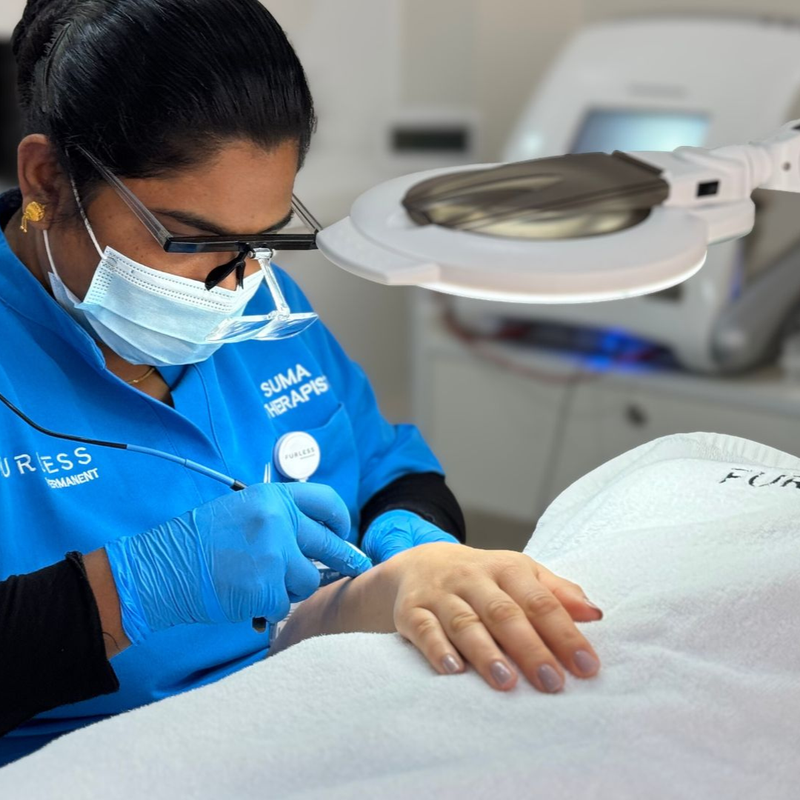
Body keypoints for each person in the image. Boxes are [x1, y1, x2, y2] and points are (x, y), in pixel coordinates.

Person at [0, 0, 602, 768]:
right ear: (48, 177)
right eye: (192, 240)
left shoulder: (258, 310)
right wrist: (132, 589)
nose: (233, 283)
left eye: (264, 238)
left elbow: (393, 469)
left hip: (305, 724)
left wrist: (411, 543)